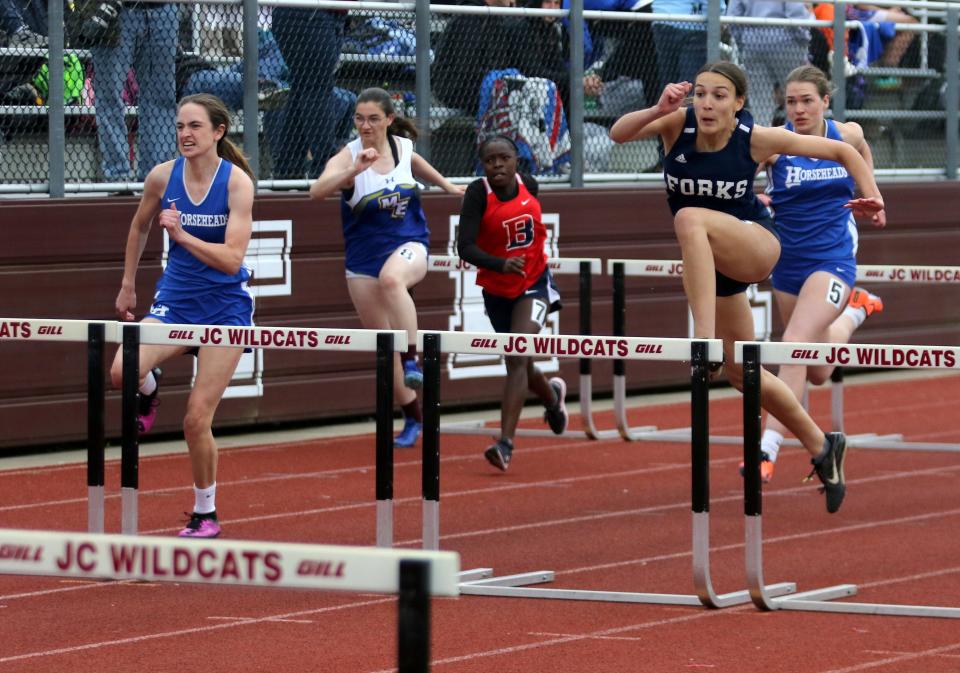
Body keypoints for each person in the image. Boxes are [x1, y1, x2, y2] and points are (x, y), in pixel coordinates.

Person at [609, 62, 885, 513]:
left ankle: (703, 340)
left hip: (756, 246)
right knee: (745, 373)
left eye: (719, 96)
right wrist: (656, 107)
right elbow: (619, 135)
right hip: (709, 264)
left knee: (688, 217)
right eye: (700, 94)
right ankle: (823, 445)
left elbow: (848, 154)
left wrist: (872, 195)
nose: (706, 104)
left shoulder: (755, 139)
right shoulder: (676, 123)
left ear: (739, 104)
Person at [110, 93, 255, 538]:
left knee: (196, 418)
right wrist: (128, 283)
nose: (185, 134)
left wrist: (183, 234)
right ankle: (150, 392)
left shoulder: (237, 184)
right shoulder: (162, 176)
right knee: (121, 371)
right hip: (176, 301)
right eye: (179, 126)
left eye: (194, 126)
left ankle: (205, 510)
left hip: (224, 310)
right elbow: (139, 225)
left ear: (218, 132)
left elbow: (232, 260)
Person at [749, 64, 886, 483]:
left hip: (833, 261)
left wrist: (870, 193)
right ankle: (856, 311)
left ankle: (766, 448)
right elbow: (739, 179)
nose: (799, 109)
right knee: (817, 369)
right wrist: (756, 200)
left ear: (826, 101)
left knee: (791, 344)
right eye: (791, 102)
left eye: (807, 100)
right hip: (787, 264)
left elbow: (862, 154)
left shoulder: (846, 134)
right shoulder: (775, 143)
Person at [309, 88, 465, 448]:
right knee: (384, 349)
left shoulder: (402, 147)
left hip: (410, 245)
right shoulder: (349, 155)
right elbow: (316, 192)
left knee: (393, 279)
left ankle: (414, 359)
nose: (365, 125)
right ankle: (414, 417)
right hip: (362, 261)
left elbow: (417, 163)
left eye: (373, 118)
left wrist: (446, 185)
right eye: (360, 118)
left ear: (389, 120)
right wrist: (352, 170)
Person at [456, 135, 569, 472]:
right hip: (496, 288)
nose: (497, 165)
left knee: (518, 354)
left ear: (516, 160)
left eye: (504, 158)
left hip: (534, 285)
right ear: (483, 165)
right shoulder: (478, 194)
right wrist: (500, 263)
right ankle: (551, 396)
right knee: (518, 358)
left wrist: (520, 266)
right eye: (490, 161)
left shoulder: (529, 185)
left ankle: (505, 444)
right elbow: (465, 247)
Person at [88, 0, 178, 183]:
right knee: (110, 95)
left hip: (163, 9)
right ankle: (117, 175)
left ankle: (157, 176)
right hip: (114, 11)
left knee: (161, 96)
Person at [270, 4, 346, 179]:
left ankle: (288, 169)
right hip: (309, 12)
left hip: (325, 13)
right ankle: (325, 166)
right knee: (317, 88)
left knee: (305, 87)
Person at [725, 0, 811, 127]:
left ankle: (763, 141)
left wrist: (744, 41)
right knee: (794, 94)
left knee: (760, 102)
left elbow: (733, 15)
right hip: (786, 41)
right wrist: (803, 40)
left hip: (752, 42)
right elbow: (796, 13)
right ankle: (794, 139)